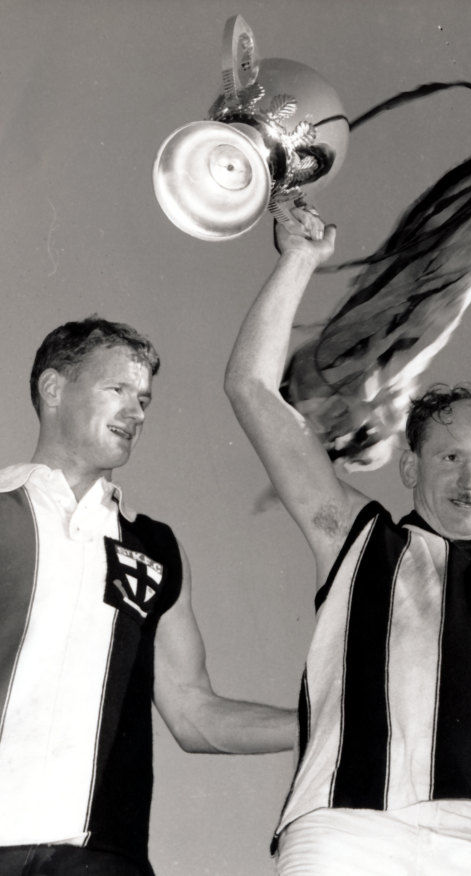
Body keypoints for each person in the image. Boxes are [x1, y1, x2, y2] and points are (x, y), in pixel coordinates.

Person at [224, 208, 471, 876]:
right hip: (348, 829)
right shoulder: (356, 536)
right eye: (450, 458)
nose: (470, 478)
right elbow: (250, 388)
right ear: (411, 466)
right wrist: (299, 258)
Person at [0, 316, 296, 876]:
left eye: (144, 399)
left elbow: (193, 712)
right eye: (117, 390)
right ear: (53, 389)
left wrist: (332, 721)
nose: (136, 413)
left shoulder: (153, 546)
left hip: (101, 856)